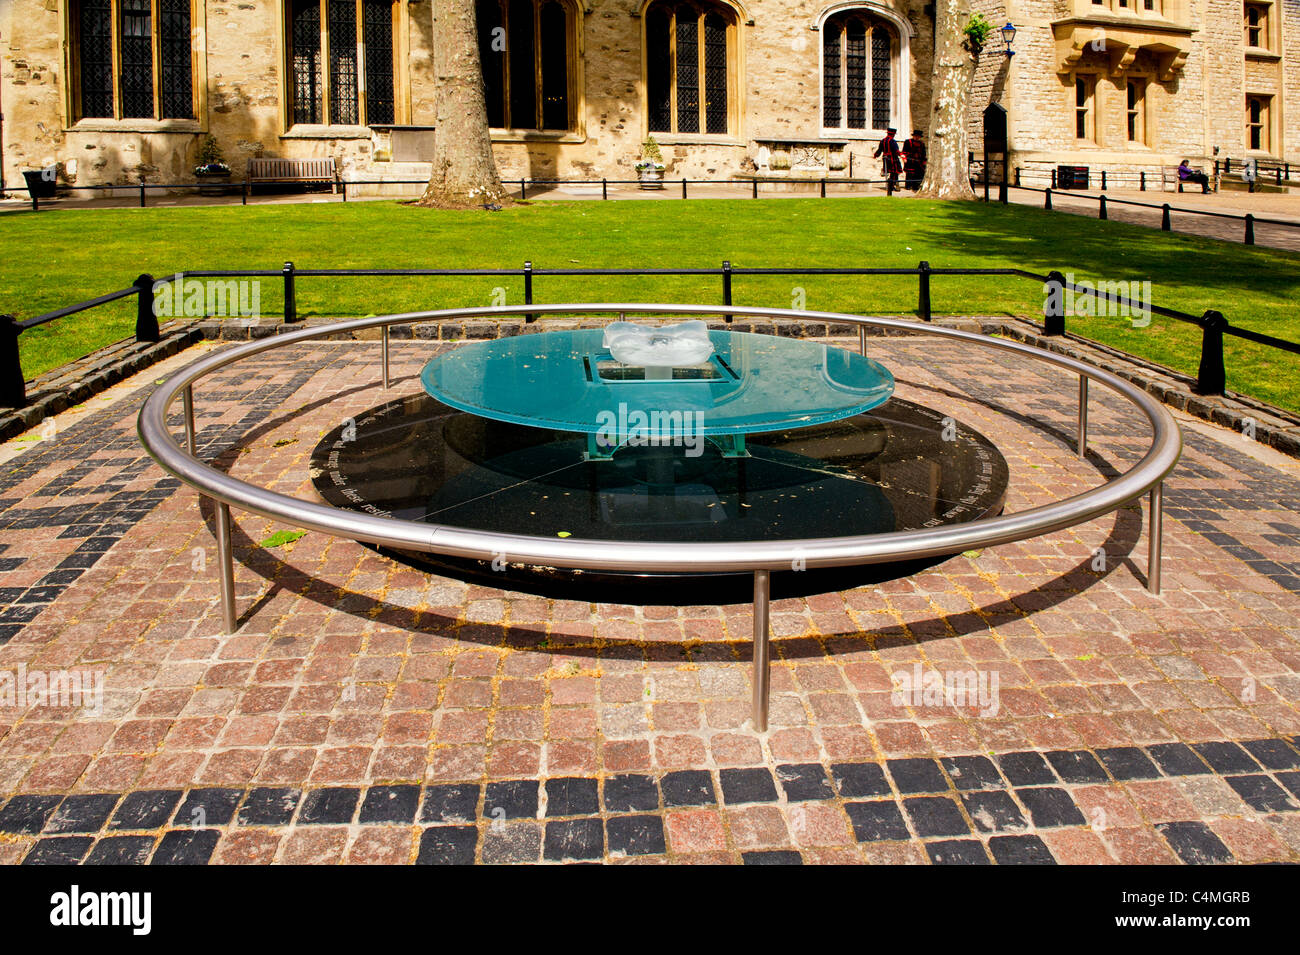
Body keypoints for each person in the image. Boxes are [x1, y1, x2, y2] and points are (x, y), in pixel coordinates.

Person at [874, 127, 902, 193]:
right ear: (893, 134)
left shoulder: (882, 141)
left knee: (889, 171)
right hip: (892, 158)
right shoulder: (892, 141)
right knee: (895, 172)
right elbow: (896, 151)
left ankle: (891, 185)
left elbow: (879, 150)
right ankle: (893, 185)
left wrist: (875, 155)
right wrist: (901, 155)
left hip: (885, 158)